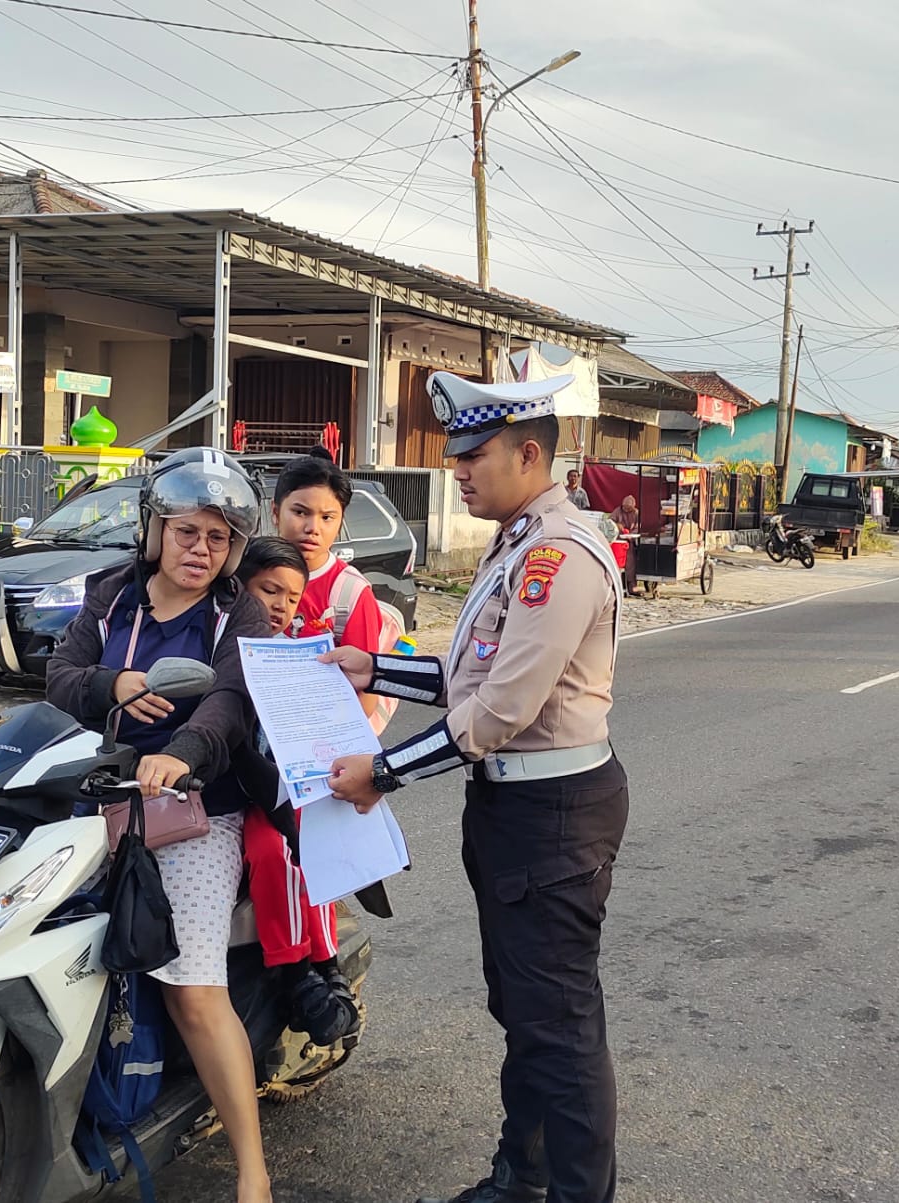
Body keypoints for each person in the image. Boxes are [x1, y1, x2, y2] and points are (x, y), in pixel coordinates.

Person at [324, 370, 629, 1203]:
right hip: (516, 807)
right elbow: (472, 674)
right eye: (455, 455)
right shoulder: (520, 543)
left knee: (559, 1026)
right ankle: (522, 1175)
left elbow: (500, 709)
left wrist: (383, 773)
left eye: (474, 454)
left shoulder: (557, 558)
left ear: (530, 453)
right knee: (527, 1008)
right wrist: (373, 663)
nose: (458, 470)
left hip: (551, 812)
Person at [46, 447, 275, 1203]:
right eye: (185, 532)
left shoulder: (232, 612)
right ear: (156, 529)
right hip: (100, 794)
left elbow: (231, 702)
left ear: (233, 548)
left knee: (192, 987)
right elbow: (60, 678)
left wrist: (178, 754)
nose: (199, 549)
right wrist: (116, 682)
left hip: (196, 811)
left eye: (216, 537)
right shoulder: (113, 595)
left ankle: (252, 1172)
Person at [240, 448, 381, 1044]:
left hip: (318, 765)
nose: (311, 527)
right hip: (243, 757)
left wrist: (343, 761)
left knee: (293, 849)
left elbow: (372, 693)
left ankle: (315, 968)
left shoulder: (350, 595)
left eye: (326, 517)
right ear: (276, 512)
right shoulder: (239, 580)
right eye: (300, 512)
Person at [231, 536, 361, 1046]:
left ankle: (327, 966)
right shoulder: (225, 653)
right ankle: (293, 970)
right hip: (239, 795)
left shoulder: (301, 657)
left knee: (314, 849)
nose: (280, 605)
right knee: (271, 851)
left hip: (293, 790)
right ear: (240, 589)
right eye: (268, 590)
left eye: (291, 596)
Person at [609, 494, 641, 597]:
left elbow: (638, 526)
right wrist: (617, 526)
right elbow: (609, 522)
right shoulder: (618, 511)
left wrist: (630, 534)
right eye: (624, 508)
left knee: (630, 562)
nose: (626, 510)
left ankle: (632, 585)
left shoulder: (636, 513)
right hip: (618, 541)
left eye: (628, 509)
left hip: (630, 541)